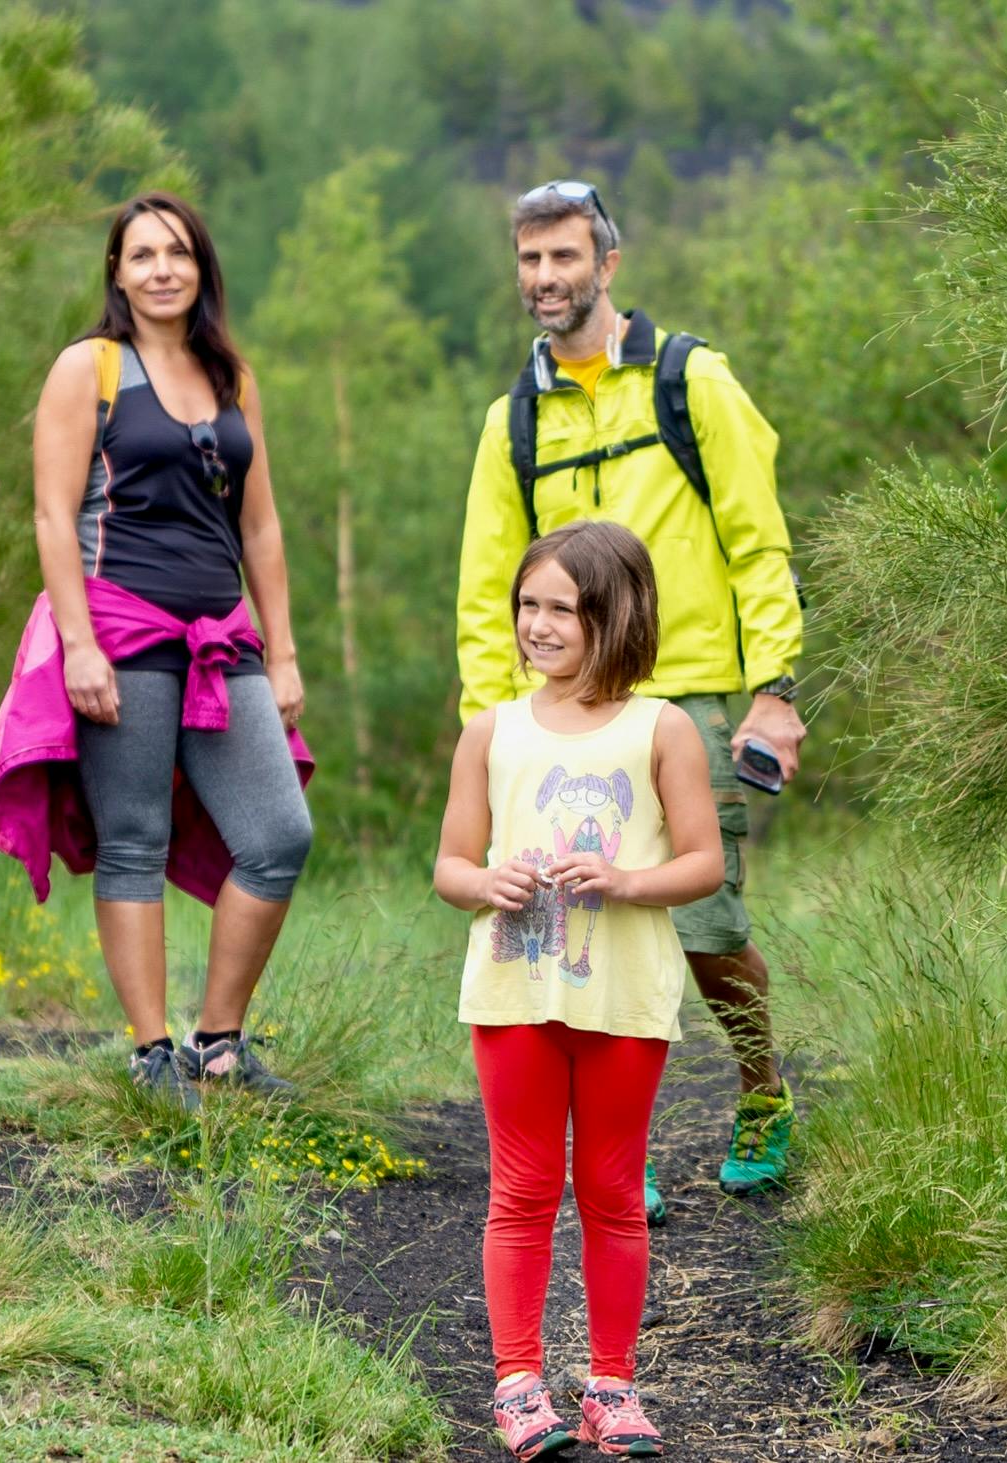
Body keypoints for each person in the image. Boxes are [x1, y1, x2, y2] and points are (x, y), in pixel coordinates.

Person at [455, 178, 808, 1221]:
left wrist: (772, 690)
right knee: (574, 922)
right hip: (558, 711)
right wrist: (491, 719)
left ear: (607, 264)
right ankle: (620, 1150)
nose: (543, 278)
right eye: (527, 259)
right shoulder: (510, 418)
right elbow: (486, 579)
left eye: (563, 257)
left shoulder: (691, 382)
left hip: (687, 692)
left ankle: (761, 1091)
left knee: (700, 920)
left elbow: (758, 539)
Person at [0, 191, 311, 1109]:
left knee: (278, 836)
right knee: (134, 840)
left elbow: (262, 526)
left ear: (203, 269)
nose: (162, 269)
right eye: (142, 253)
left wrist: (283, 652)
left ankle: (219, 1041)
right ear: (116, 270)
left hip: (219, 638)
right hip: (119, 630)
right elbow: (50, 511)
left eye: (179, 253)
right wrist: (77, 645)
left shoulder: (232, 374)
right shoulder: (91, 367)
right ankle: (153, 1054)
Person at [434, 520, 721, 1459]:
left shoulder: (663, 727)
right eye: (530, 605)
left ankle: (611, 1383)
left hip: (623, 994)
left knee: (610, 1190)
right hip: (514, 988)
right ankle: (518, 1384)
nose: (541, 625)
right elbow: (450, 865)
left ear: (617, 614)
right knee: (520, 1188)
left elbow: (706, 863)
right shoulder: (492, 730)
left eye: (565, 608)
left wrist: (628, 881)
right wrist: (486, 884)